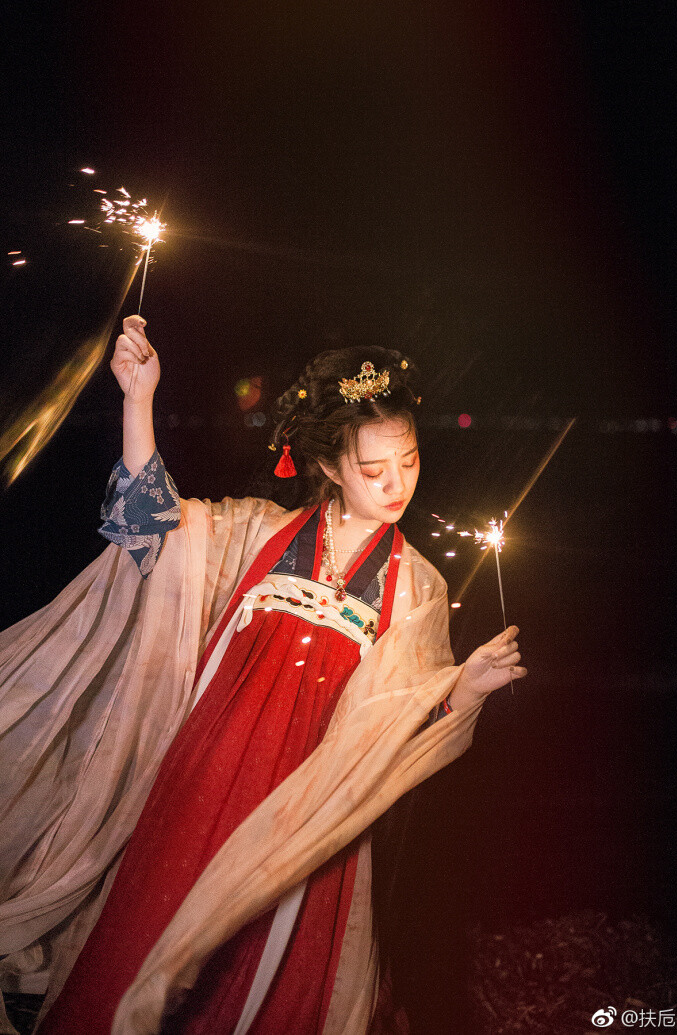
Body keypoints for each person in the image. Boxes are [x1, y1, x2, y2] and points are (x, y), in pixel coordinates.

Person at [0, 316, 526, 1035]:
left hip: (308, 821)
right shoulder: (253, 531)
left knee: (261, 984)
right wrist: (138, 398)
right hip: (200, 789)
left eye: (407, 460)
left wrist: (467, 687)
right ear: (332, 466)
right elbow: (145, 524)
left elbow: (402, 730)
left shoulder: (417, 587)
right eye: (374, 470)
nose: (397, 482)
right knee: (144, 951)